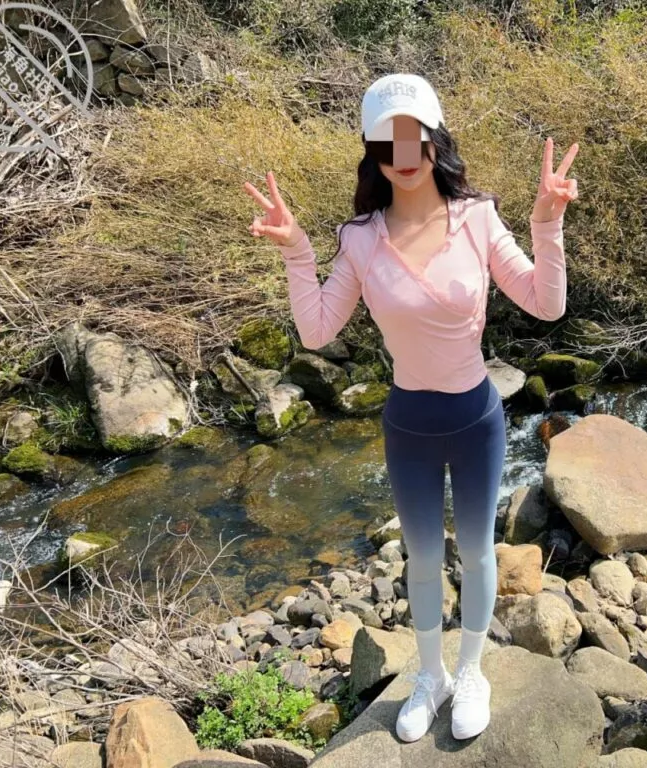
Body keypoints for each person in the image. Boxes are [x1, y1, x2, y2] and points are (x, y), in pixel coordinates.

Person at [243, 73, 578, 743]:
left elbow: (547, 304)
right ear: (374, 151)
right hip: (409, 423)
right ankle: (432, 675)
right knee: (422, 559)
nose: (403, 152)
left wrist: (547, 224)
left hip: (475, 418)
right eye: (387, 140)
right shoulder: (362, 238)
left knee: (477, 553)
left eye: (413, 136)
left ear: (433, 139)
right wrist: (298, 252)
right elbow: (317, 331)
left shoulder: (476, 217)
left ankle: (472, 671)